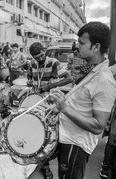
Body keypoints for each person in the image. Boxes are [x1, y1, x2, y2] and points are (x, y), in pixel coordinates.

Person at [49, 22, 116, 179]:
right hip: (69, 139)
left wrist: (64, 108)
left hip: (76, 144)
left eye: (81, 42)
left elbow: (98, 126)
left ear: (96, 47)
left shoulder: (104, 80)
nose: (77, 46)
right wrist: (60, 103)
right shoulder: (92, 70)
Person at [27, 42, 72, 179]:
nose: (39, 59)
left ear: (44, 51)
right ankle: (44, 166)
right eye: (36, 57)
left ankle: (54, 163)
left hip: (50, 105)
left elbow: (69, 78)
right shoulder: (31, 64)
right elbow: (30, 81)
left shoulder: (54, 62)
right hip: (36, 104)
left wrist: (50, 86)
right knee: (37, 135)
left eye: (41, 55)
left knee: (50, 136)